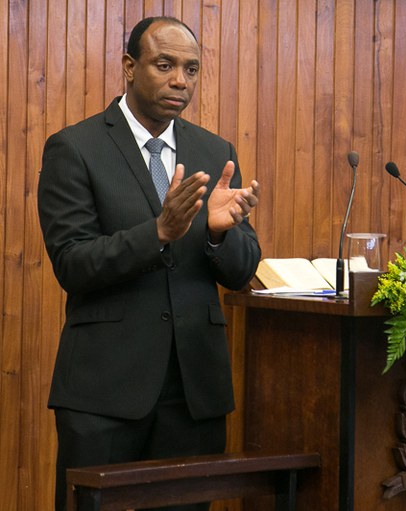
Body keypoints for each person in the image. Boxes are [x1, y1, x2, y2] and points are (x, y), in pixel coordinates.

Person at [37, 16, 261, 511]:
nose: (180, 81)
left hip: (194, 391)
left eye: (191, 69)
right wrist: (158, 232)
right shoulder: (75, 147)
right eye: (164, 65)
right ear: (129, 66)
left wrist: (219, 234)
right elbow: (72, 263)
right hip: (105, 390)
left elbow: (242, 271)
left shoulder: (215, 151)